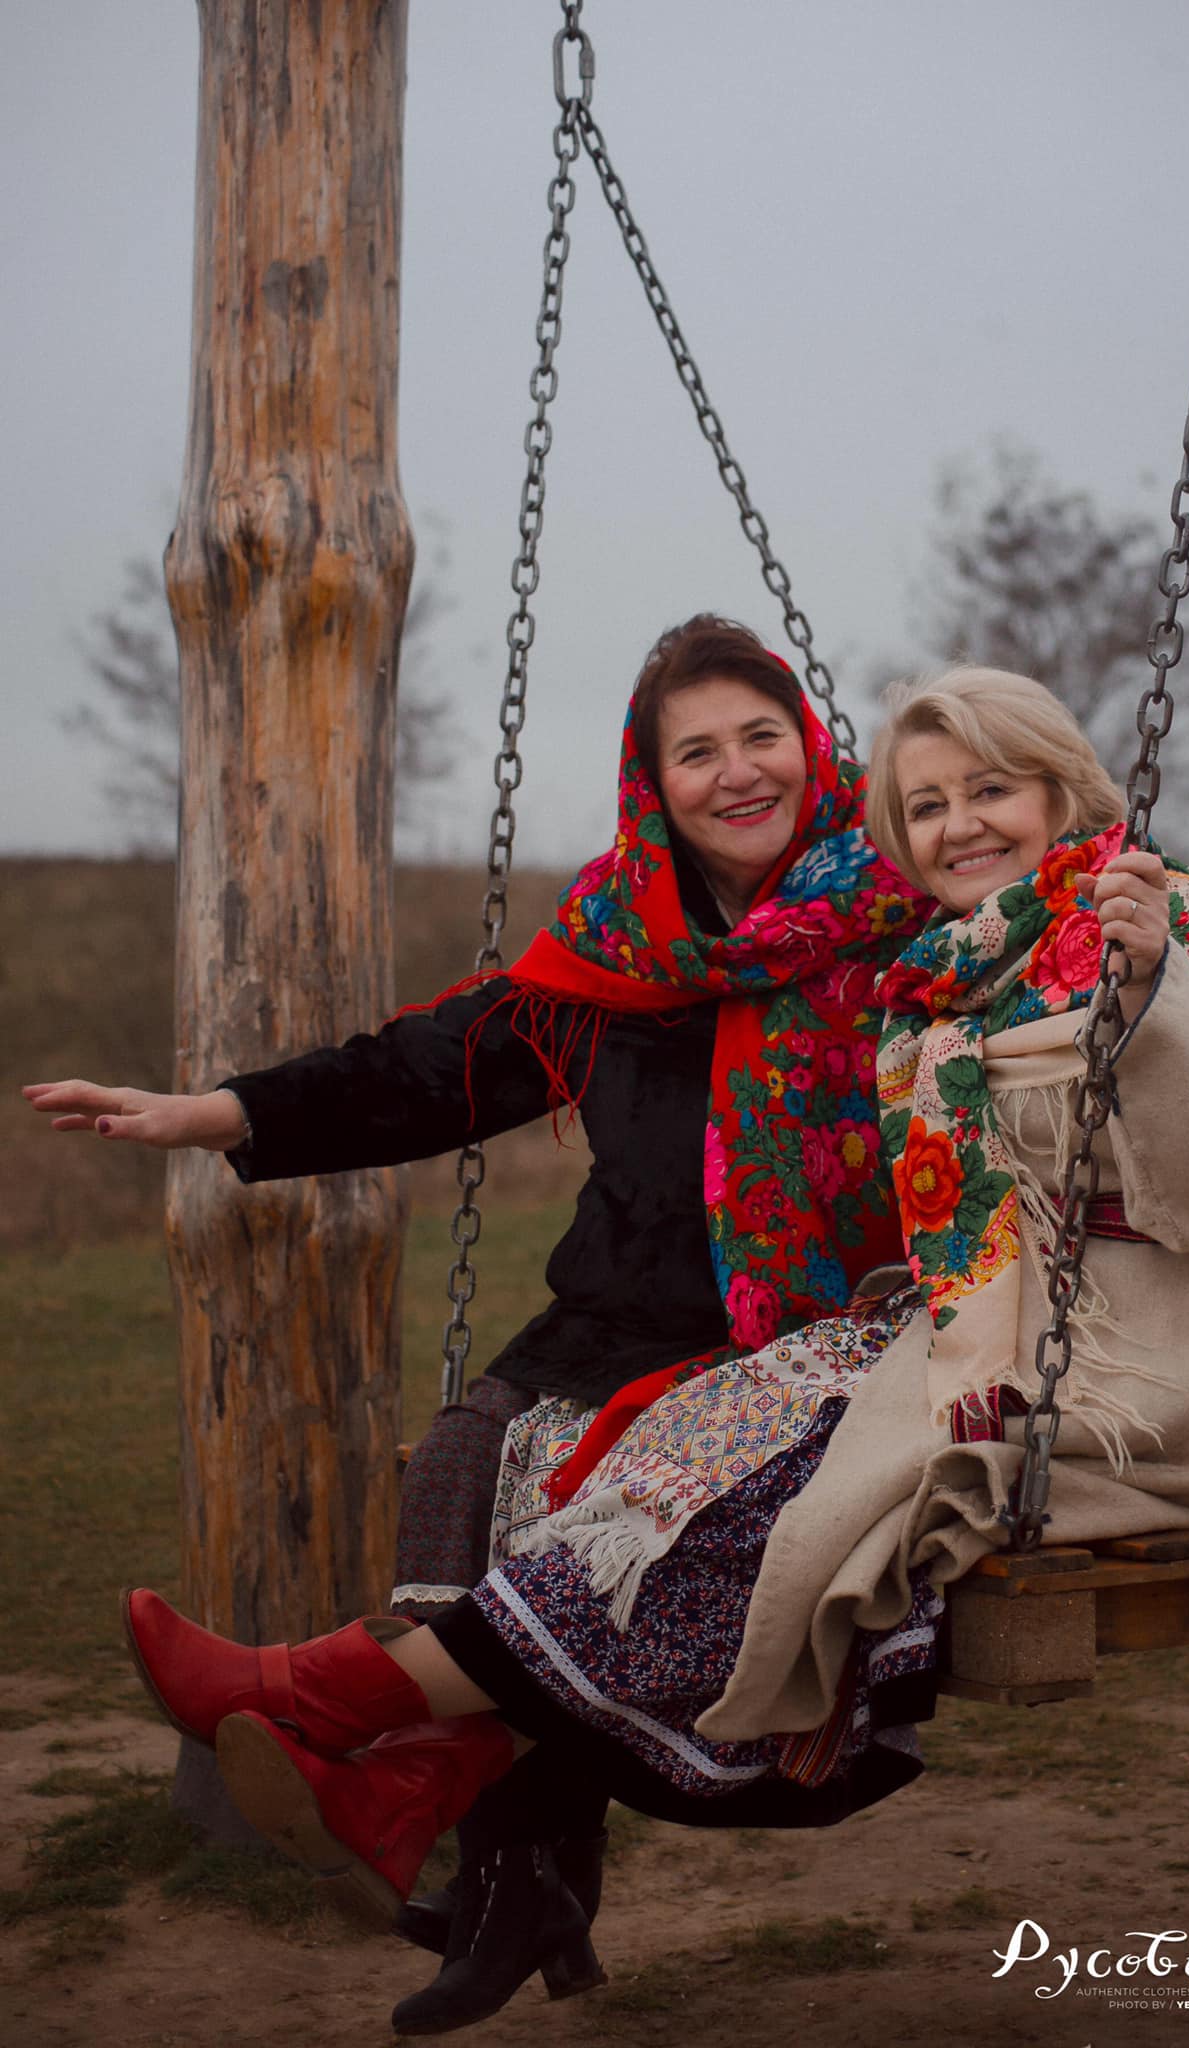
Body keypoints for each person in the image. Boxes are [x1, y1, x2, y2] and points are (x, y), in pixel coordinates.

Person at [24, 614, 927, 2031]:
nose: (738, 771)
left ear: (813, 749)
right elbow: (426, 1069)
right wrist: (214, 1113)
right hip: (613, 1321)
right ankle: (502, 1869)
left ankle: (420, 1799)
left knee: (584, 1515)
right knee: (463, 1458)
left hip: (796, 1343)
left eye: (763, 737)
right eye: (698, 751)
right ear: (651, 783)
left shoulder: (905, 915)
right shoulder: (618, 946)